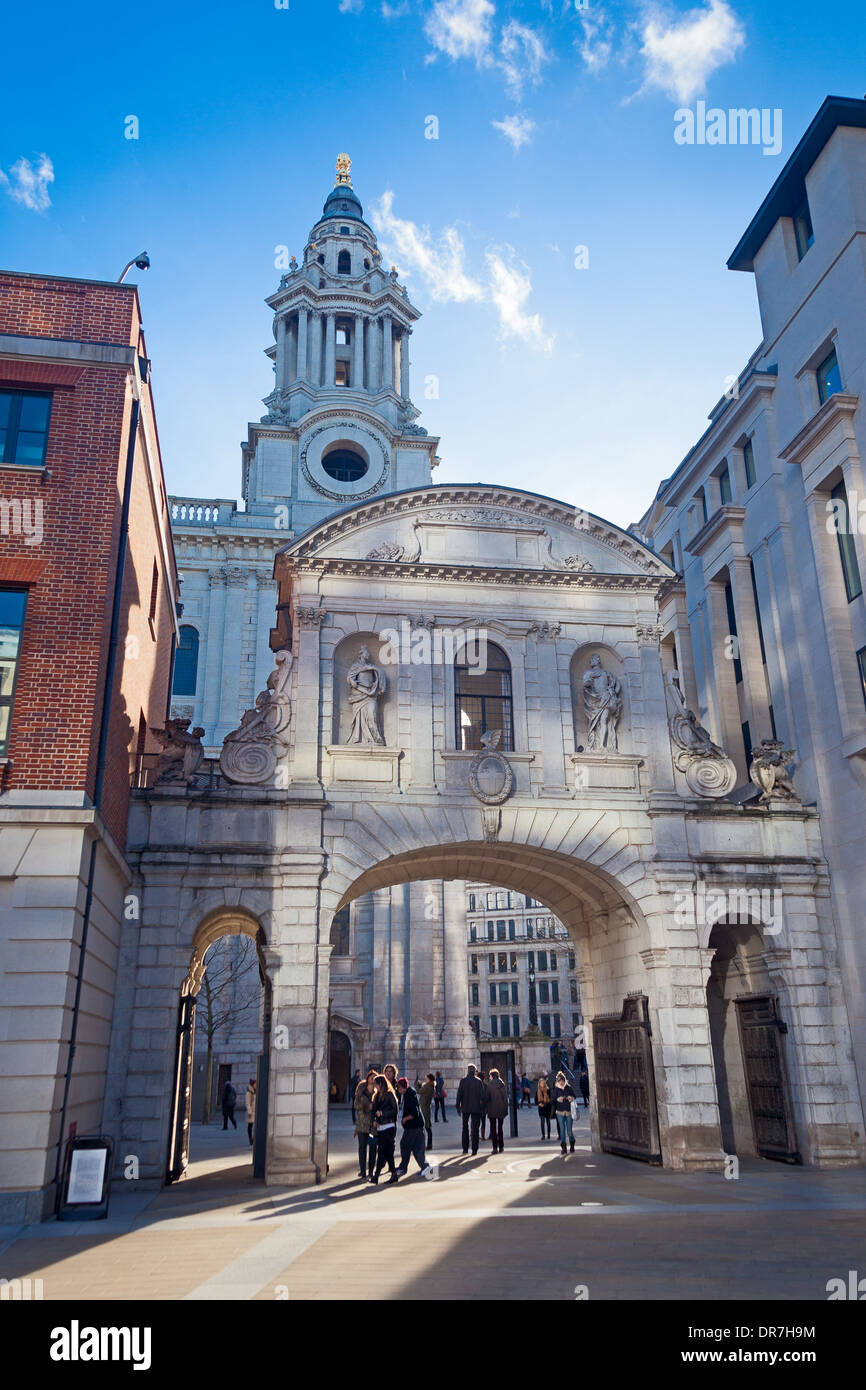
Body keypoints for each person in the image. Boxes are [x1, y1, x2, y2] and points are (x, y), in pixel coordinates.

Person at [395, 1077, 433, 1179]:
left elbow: (414, 1112)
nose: (399, 1091)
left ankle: (404, 1167)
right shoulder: (409, 1093)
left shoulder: (409, 1095)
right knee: (417, 1148)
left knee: (405, 1145)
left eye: (399, 1088)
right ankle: (425, 1167)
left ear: (403, 1087)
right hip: (418, 1126)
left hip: (413, 1126)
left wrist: (405, 1119)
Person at [371, 1073, 399, 1184]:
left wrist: (382, 1113)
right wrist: (375, 1120)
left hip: (389, 1126)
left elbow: (395, 1110)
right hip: (381, 1127)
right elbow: (374, 1111)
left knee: (382, 1151)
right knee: (387, 1153)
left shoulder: (389, 1095)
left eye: (376, 1084)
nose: (375, 1087)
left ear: (381, 1084)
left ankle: (376, 1176)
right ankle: (394, 1174)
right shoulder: (377, 1096)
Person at [456, 1064, 485, 1155]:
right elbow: (482, 1096)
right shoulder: (478, 1081)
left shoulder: (463, 1081)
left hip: (465, 1108)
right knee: (475, 1129)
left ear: (468, 1071)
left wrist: (458, 1106)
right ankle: (474, 1150)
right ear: (475, 1071)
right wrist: (482, 1107)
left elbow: (459, 1094)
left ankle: (465, 1149)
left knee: (465, 1128)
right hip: (476, 1108)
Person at [354, 1070, 378, 1179]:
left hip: (373, 1125)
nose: (372, 1079)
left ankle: (371, 1172)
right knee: (362, 1148)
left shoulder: (378, 1092)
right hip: (362, 1123)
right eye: (371, 1077)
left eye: (375, 1077)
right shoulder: (361, 1090)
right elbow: (356, 1104)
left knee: (373, 1149)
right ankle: (363, 1171)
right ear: (367, 1078)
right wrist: (365, 1107)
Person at [484, 1068, 508, 1154]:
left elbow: (487, 1098)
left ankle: (495, 1148)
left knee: (493, 1129)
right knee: (500, 1128)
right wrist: (506, 1109)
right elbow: (505, 1098)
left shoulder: (489, 1085)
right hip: (501, 1109)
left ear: (491, 1076)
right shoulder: (502, 1084)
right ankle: (501, 1147)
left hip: (492, 1109)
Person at [553, 1070, 577, 1154]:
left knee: (569, 1130)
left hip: (569, 1112)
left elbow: (574, 1096)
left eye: (562, 1081)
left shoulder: (569, 1087)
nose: (561, 1083)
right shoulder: (556, 1089)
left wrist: (571, 1097)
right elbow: (553, 1099)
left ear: (564, 1080)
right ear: (558, 1082)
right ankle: (563, 1148)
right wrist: (558, 1099)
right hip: (559, 1112)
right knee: (562, 1130)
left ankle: (572, 1143)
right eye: (560, 1081)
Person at [419, 1073, 435, 1150]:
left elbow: (418, 1091)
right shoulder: (431, 1087)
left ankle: (425, 1144)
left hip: (424, 1109)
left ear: (430, 1079)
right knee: (428, 1128)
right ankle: (429, 1144)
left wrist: (416, 1083)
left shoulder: (427, 1087)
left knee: (424, 1128)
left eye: (427, 1078)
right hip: (427, 1108)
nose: (426, 1079)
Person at [536, 1073, 552, 1140]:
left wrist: (547, 1101)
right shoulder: (538, 1091)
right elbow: (535, 1100)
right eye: (541, 1083)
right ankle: (543, 1135)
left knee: (548, 1122)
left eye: (543, 1083)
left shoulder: (548, 1090)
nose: (542, 1084)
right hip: (541, 1108)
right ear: (539, 1084)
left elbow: (551, 1098)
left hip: (547, 1107)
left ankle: (548, 1134)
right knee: (542, 1122)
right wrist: (539, 1103)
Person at [245, 1078, 256, 1147]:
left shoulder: (256, 1091)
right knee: (250, 1126)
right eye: (255, 1084)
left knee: (255, 1126)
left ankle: (254, 1139)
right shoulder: (249, 1092)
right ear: (252, 1084)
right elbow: (247, 1103)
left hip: (255, 1111)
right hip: (251, 1112)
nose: (256, 1085)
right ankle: (250, 1139)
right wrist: (249, 1111)